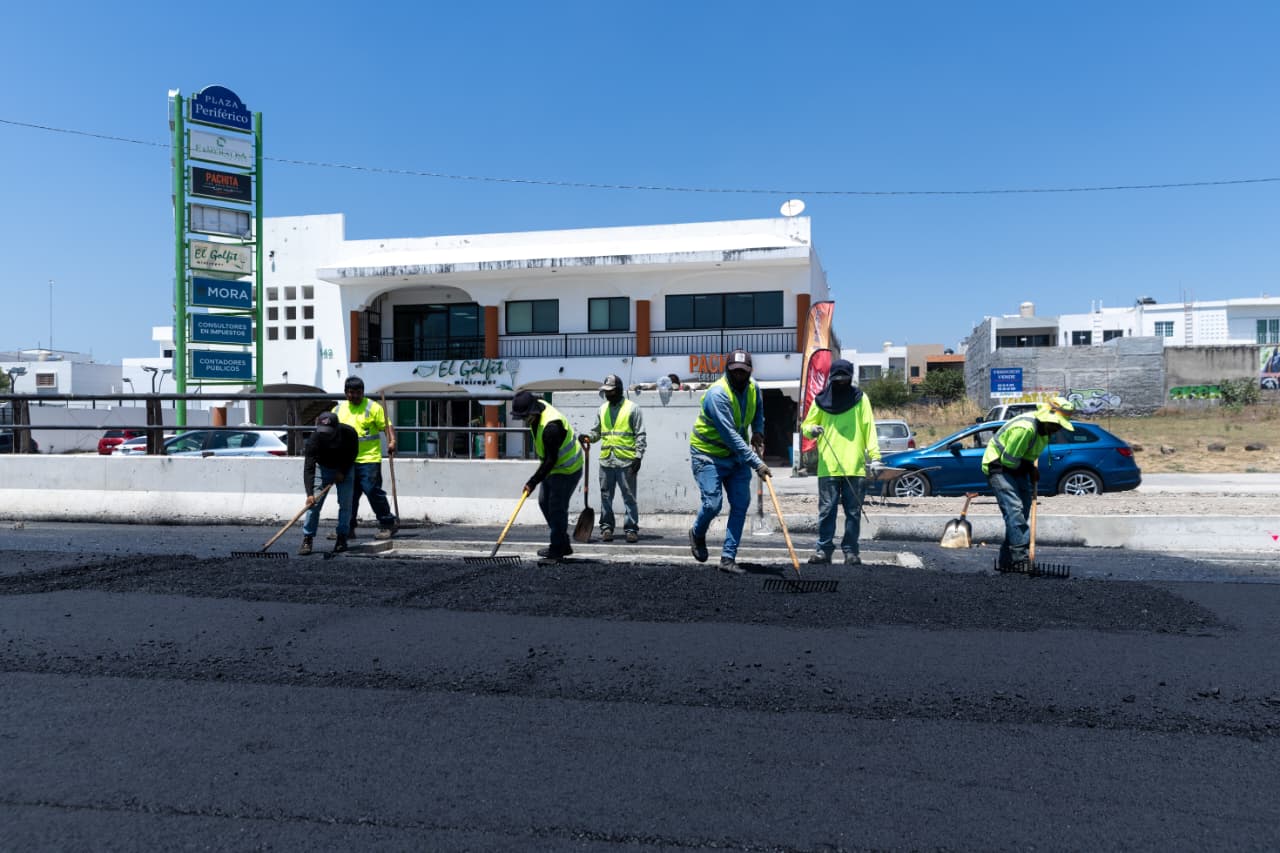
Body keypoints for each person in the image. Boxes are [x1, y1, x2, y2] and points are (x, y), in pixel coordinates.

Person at [687, 349, 768, 575]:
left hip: (736, 457)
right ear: (727, 370)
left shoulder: (754, 388)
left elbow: (758, 411)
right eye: (735, 371)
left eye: (743, 371)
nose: (739, 375)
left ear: (750, 371)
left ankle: (728, 557)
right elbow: (730, 435)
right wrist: (756, 463)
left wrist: (758, 431)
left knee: (741, 504)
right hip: (708, 454)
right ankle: (697, 533)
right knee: (713, 504)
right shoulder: (718, 394)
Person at [799, 359, 881, 566]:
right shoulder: (820, 401)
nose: (841, 383)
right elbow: (806, 425)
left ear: (850, 378)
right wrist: (812, 430)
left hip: (855, 466)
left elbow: (869, 428)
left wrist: (875, 457)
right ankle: (823, 550)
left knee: (853, 512)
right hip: (828, 466)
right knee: (827, 510)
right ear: (831, 379)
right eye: (837, 380)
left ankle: (851, 551)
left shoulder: (861, 399)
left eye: (845, 379)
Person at [981, 395, 1077, 571]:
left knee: (1022, 511)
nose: (1057, 429)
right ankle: (1020, 559)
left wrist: (1031, 468)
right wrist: (1029, 468)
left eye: (1060, 425)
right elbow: (1009, 460)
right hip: (999, 466)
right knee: (1014, 510)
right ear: (1047, 418)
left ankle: (1007, 560)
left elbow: (1027, 455)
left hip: (1018, 466)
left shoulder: (1045, 431)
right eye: (1056, 424)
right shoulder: (1025, 428)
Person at [510, 390, 584, 566]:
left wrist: (532, 482)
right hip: (552, 468)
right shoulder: (538, 412)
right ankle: (562, 543)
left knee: (557, 507)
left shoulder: (551, 427)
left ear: (532, 411)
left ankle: (557, 549)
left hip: (567, 469)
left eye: (524, 416)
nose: (523, 420)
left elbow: (551, 460)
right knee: (544, 503)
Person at [579, 375, 647, 543]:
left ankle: (631, 529)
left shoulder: (633, 409)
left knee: (629, 497)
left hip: (627, 462)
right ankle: (606, 528)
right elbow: (597, 432)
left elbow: (640, 434)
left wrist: (638, 457)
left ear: (619, 390)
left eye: (610, 391)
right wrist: (588, 438)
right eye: (606, 392)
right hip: (606, 461)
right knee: (606, 497)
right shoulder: (602, 409)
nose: (607, 395)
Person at [333, 376, 399, 540]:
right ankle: (347, 528)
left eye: (358, 392)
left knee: (372, 491)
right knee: (349, 496)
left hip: (369, 459)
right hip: (347, 461)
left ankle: (387, 524)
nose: (354, 396)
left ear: (363, 392)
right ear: (346, 393)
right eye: (351, 392)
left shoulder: (372, 407)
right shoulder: (338, 410)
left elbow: (387, 426)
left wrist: (392, 441)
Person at [299, 412, 358, 555]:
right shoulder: (314, 439)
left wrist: (342, 471)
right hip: (323, 468)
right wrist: (309, 494)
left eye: (329, 432)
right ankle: (308, 538)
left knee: (345, 504)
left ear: (337, 428)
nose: (325, 435)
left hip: (344, 467)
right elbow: (309, 468)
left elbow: (352, 454)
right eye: (323, 432)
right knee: (314, 505)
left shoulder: (349, 433)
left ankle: (342, 537)